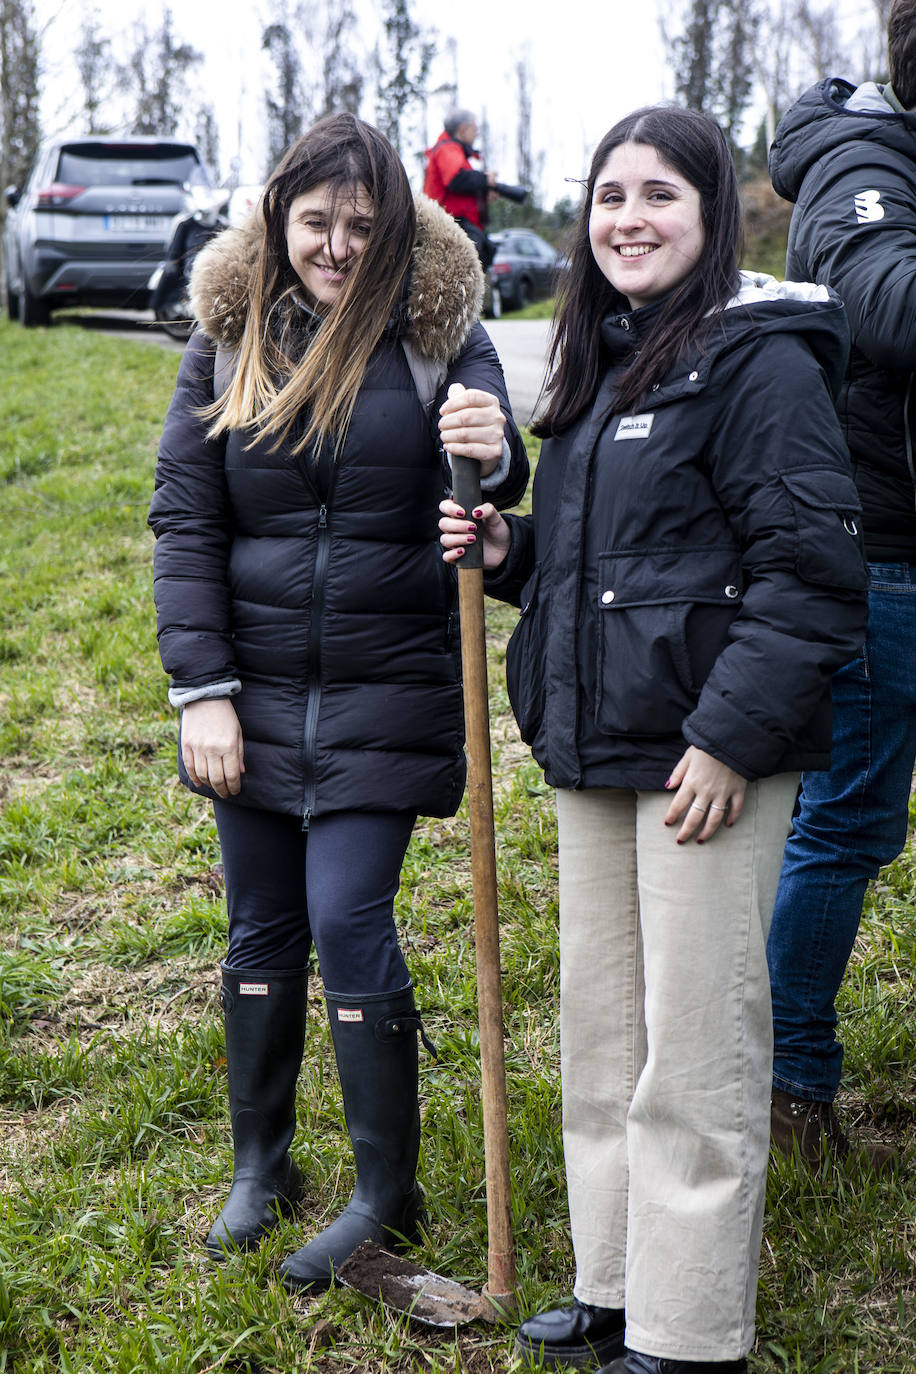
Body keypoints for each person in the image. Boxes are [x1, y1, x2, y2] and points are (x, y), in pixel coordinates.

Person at [440, 105, 867, 1374]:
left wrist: (732, 739)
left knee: (694, 1048)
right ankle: (617, 1286)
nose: (629, 218)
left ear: (712, 216)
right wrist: (511, 552)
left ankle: (688, 1337)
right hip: (595, 751)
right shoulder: (599, 364)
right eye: (609, 195)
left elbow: (811, 574)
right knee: (604, 1037)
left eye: (659, 195)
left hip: (705, 762)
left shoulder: (762, 363)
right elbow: (601, 565)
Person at [148, 112, 528, 1292]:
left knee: (347, 915)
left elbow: (496, 465)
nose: (339, 245)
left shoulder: (438, 333)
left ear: (399, 232)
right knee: (260, 927)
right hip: (250, 696)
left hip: (388, 684)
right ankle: (261, 1165)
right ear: (277, 218)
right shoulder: (225, 337)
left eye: (365, 226)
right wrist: (203, 690)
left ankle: (385, 1191)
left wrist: (493, 449)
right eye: (317, 221)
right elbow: (186, 518)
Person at [764, 0, 916, 1171]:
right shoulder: (860, 163)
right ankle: (789, 1085)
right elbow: (886, 304)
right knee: (847, 825)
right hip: (884, 558)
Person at [424, 108, 499, 266]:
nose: (476, 134)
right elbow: (457, 179)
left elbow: (457, 192)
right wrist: (486, 179)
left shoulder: (453, 151)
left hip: (458, 226)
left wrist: (482, 198)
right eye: (474, 129)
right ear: (463, 130)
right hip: (451, 227)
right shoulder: (447, 149)